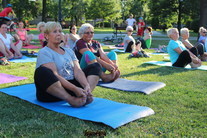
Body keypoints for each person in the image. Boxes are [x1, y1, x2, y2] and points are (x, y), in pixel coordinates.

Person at [34, 22, 102, 107]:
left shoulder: (69, 51)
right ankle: (71, 99)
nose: (59, 34)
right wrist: (75, 89)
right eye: (55, 31)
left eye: (60, 31)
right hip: (53, 92)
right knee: (42, 71)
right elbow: (55, 75)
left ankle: (85, 94)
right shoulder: (44, 52)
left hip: (72, 87)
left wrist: (86, 85)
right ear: (46, 36)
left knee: (96, 66)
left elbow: (77, 70)